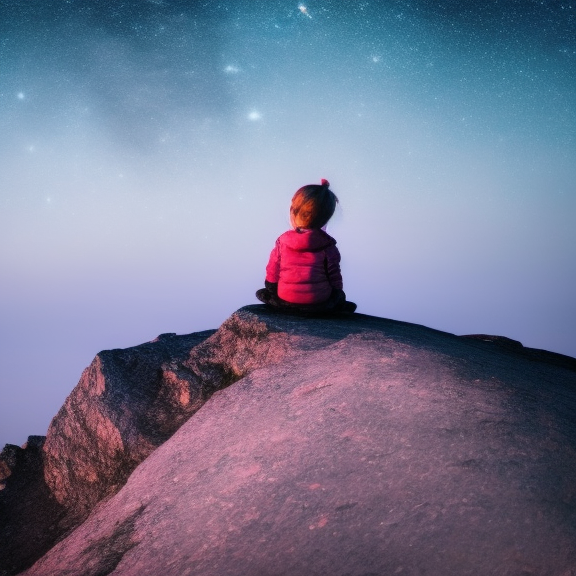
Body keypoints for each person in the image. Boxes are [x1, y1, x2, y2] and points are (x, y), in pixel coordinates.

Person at [256, 179, 356, 314]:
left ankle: (287, 306)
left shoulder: (282, 241)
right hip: (319, 302)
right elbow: (335, 277)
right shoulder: (328, 245)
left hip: (285, 300)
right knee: (339, 299)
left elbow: (272, 272)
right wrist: (338, 294)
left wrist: (271, 289)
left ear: (293, 212)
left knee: (263, 293)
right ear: (326, 217)